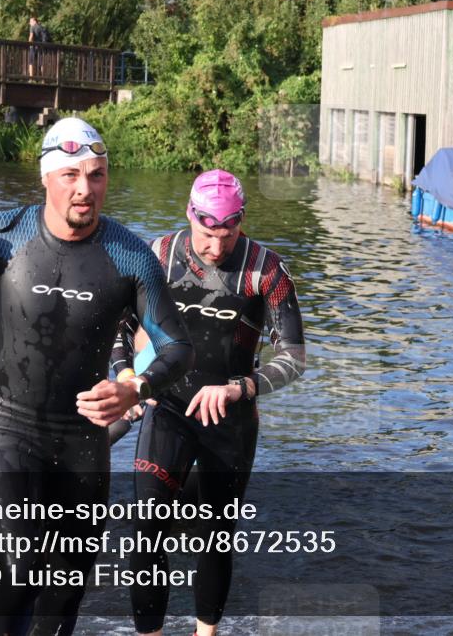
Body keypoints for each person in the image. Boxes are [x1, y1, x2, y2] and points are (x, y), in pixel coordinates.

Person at [0, 117, 194, 636]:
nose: (85, 189)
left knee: (66, 587)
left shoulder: (130, 256)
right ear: (46, 177)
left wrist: (133, 388)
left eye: (97, 175)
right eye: (72, 174)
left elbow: (177, 347)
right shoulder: (2, 236)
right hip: (7, 425)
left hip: (81, 439)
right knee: (18, 567)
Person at [108, 169, 306, 636]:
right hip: (167, 406)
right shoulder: (158, 256)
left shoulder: (266, 270)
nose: (216, 248)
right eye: (206, 235)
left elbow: (294, 359)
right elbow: (117, 325)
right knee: (147, 528)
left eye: (228, 235)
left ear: (240, 222)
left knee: (213, 538)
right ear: (189, 217)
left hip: (230, 418)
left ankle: (206, 633)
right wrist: (128, 376)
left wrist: (239, 387)